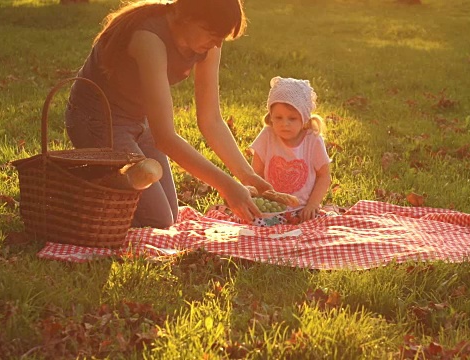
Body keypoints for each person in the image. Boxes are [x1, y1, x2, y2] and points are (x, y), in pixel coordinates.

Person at [64, 0, 273, 228]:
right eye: (213, 34)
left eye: (221, 37)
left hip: (138, 120)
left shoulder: (209, 45)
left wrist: (245, 175)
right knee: (157, 219)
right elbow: (165, 137)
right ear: (188, 16)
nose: (216, 43)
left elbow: (210, 119)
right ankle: (77, 190)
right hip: (97, 120)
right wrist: (227, 187)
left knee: (170, 216)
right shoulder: (148, 39)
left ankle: (110, 184)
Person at [250, 77, 332, 222]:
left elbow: (324, 176)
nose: (284, 124)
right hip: (271, 209)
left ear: (304, 118)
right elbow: (255, 173)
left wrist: (312, 205)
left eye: (292, 118)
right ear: (271, 117)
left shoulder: (312, 140)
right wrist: (257, 199)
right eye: (279, 117)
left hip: (302, 210)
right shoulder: (267, 136)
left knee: (323, 224)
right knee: (249, 221)